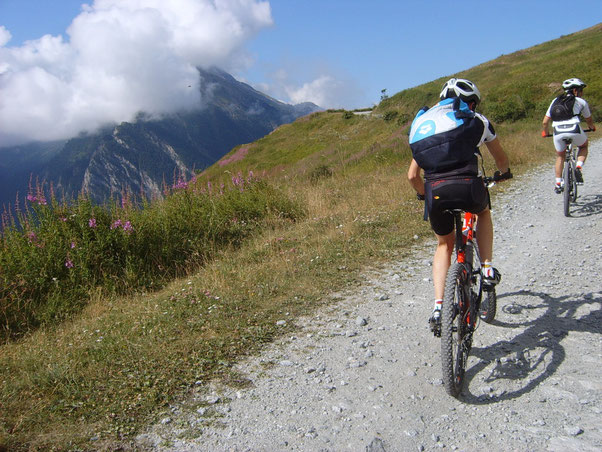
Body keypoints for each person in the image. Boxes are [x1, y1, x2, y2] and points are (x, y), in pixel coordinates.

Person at [407, 78, 511, 332]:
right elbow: (500, 159)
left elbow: (412, 176)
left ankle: (439, 306)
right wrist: (503, 173)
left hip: (435, 193)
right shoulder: (478, 120)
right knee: (483, 212)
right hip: (468, 187)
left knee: (444, 245)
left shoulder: (426, 123)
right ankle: (486, 270)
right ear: (471, 102)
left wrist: (425, 195)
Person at [541, 78, 596, 192]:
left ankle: (558, 182)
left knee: (560, 156)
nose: (581, 93)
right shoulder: (581, 102)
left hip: (557, 131)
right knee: (583, 146)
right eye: (581, 90)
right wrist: (591, 127)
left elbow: (545, 122)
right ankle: (578, 167)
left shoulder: (555, 101)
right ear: (576, 90)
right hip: (574, 128)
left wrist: (545, 132)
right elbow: (588, 119)